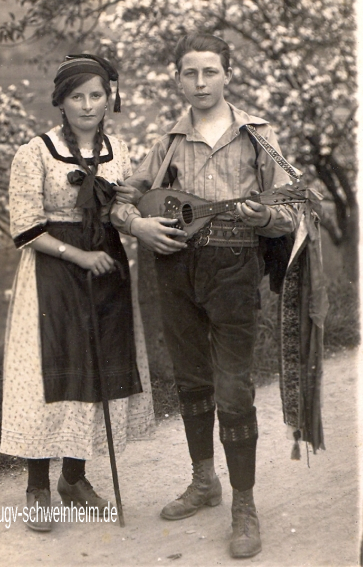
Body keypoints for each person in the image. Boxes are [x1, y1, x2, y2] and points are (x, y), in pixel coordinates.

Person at [111, 33, 297, 559]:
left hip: (234, 269)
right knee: (190, 379)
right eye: (189, 73)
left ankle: (244, 504)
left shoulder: (258, 137)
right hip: (173, 266)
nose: (200, 83)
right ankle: (203, 481)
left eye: (210, 72)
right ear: (177, 78)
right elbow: (123, 199)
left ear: (227, 75)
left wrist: (266, 216)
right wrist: (139, 226)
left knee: (233, 387)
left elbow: (287, 207)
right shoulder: (167, 141)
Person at [0, 54, 154, 532]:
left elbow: (118, 216)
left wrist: (136, 214)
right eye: (77, 96)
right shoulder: (34, 153)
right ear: (60, 103)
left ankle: (74, 478)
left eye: (96, 95)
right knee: (49, 376)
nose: (88, 105)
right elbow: (25, 227)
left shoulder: (119, 150)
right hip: (52, 274)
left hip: (106, 274)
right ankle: (37, 488)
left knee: (96, 371)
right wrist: (79, 255)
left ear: (109, 98)